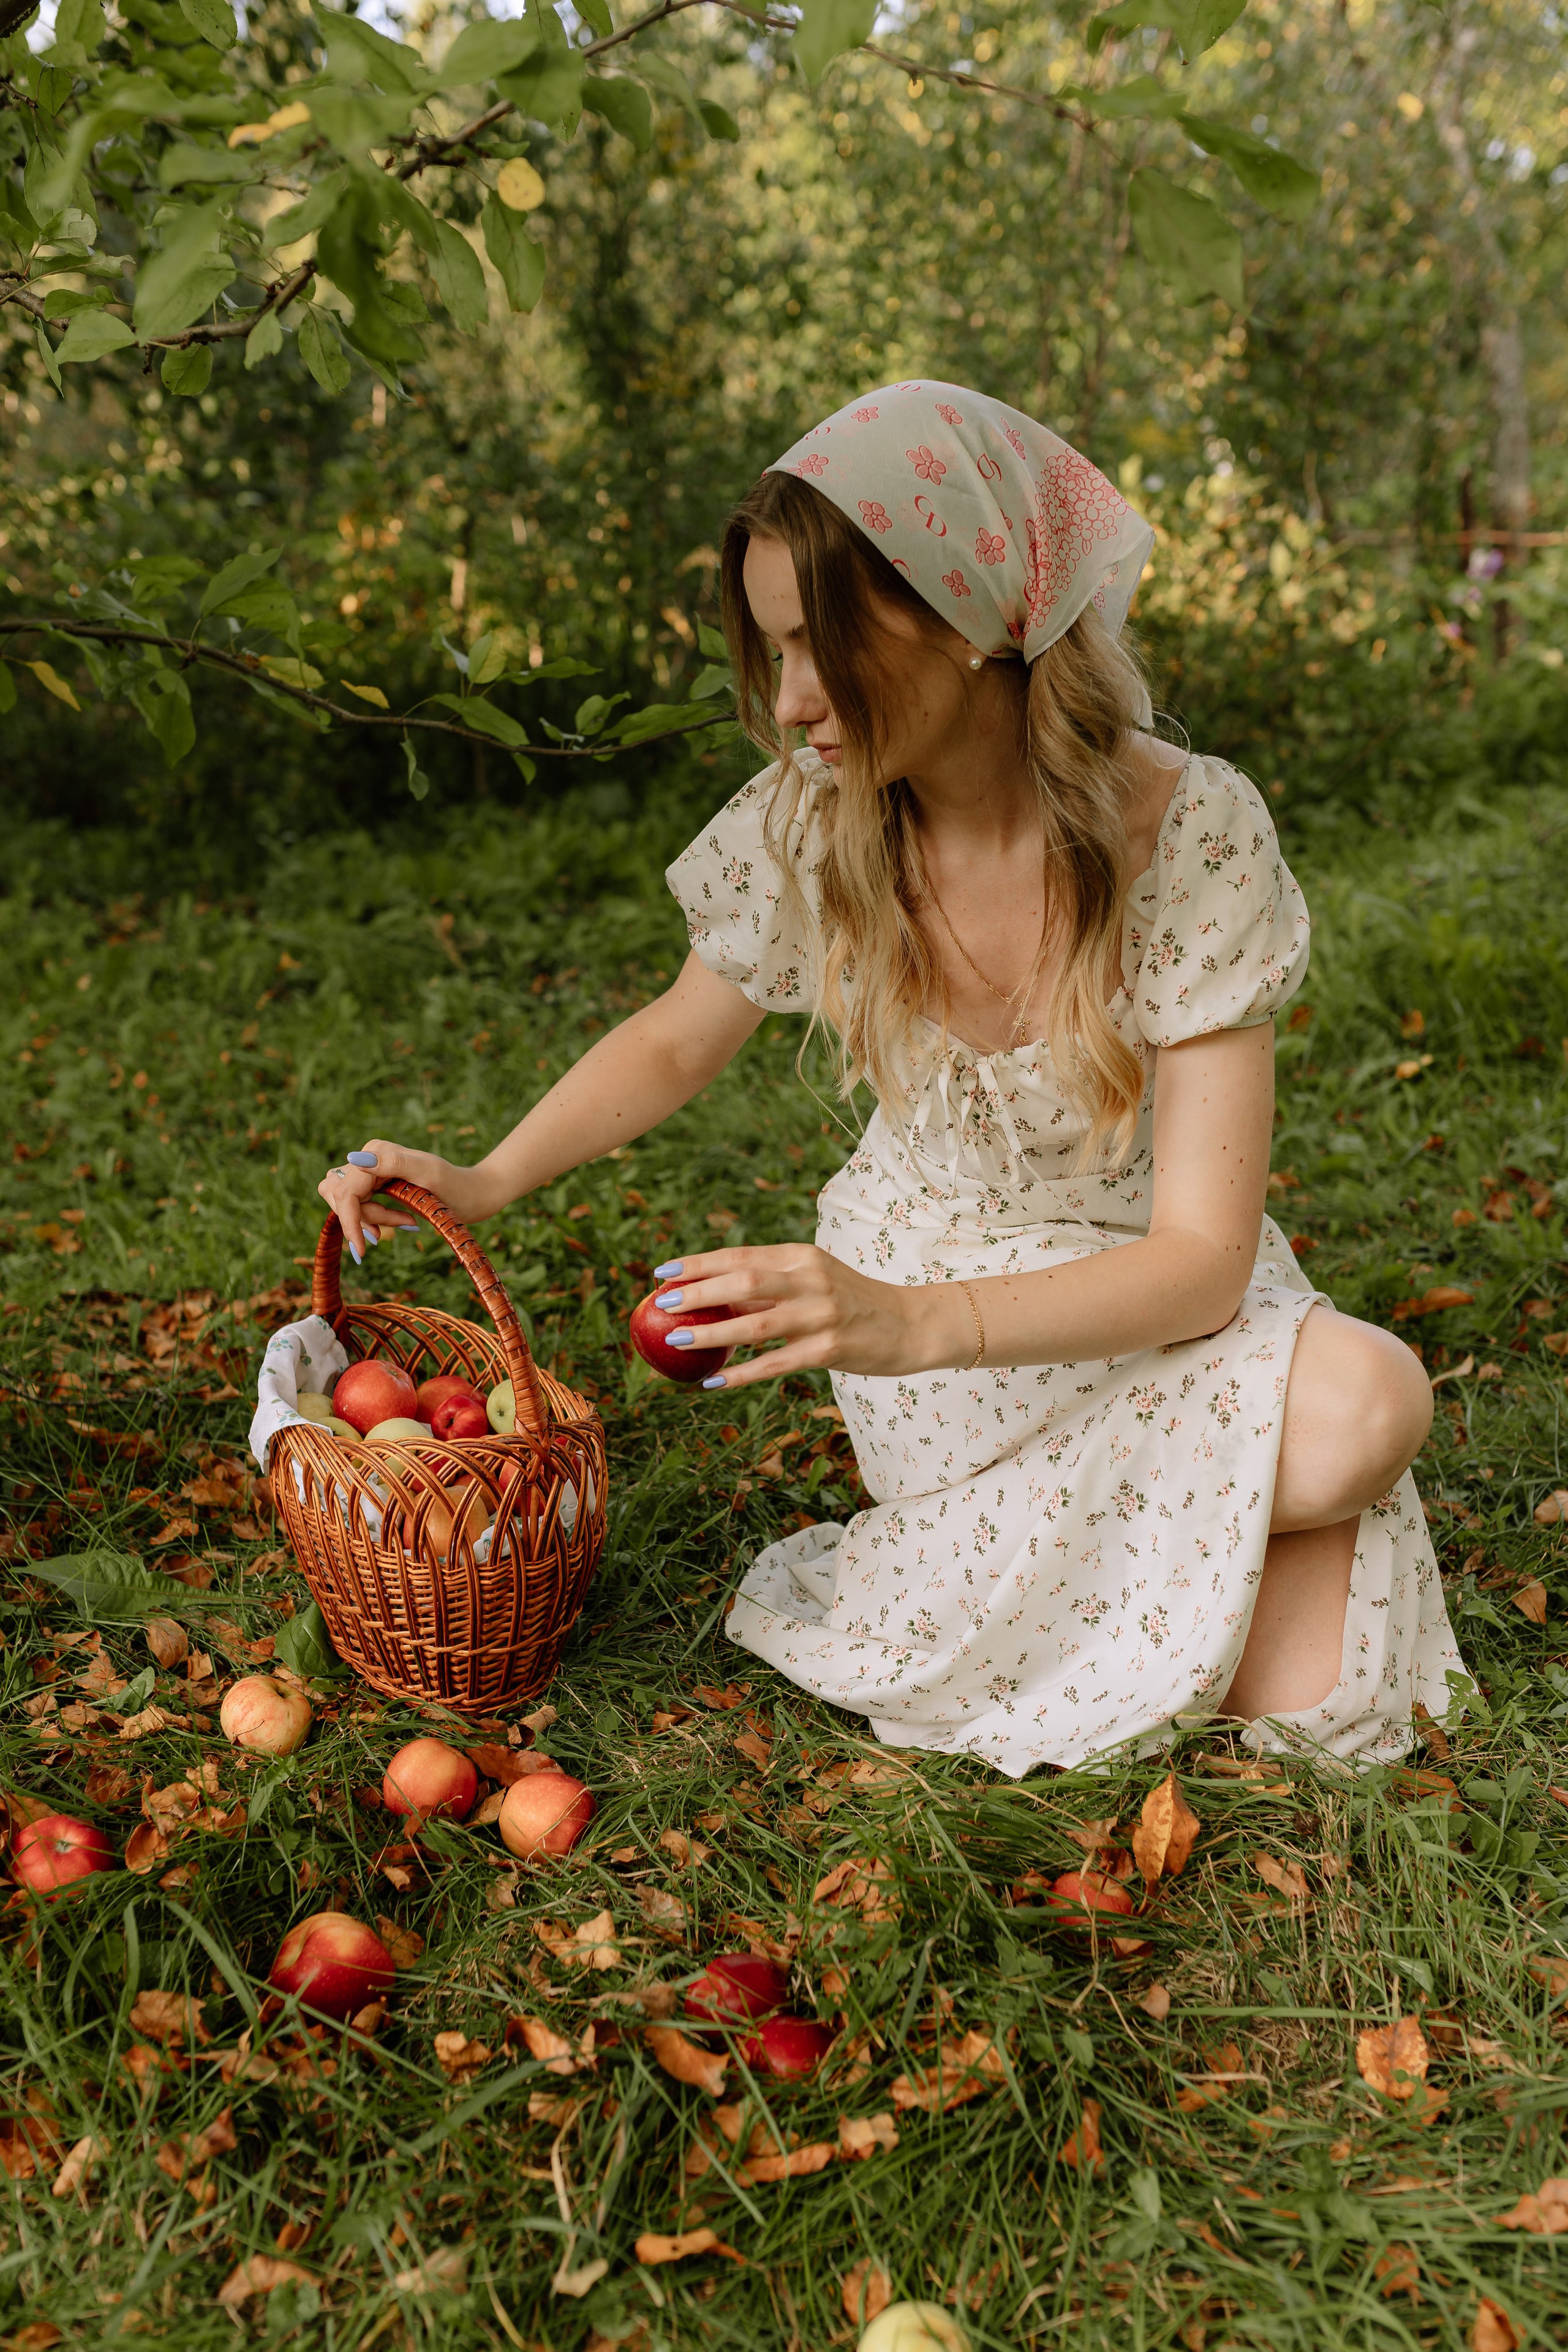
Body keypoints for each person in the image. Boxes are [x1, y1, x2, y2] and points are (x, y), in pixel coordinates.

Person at [318, 380, 1461, 1779]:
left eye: (825, 645)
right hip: (925, 1334)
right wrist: (485, 1175)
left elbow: (1203, 1266)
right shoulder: (816, 819)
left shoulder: (1189, 828)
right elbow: (676, 1035)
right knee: (1339, 1452)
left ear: (967, 613)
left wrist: (908, 1322)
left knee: (1367, 1408)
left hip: (1135, 1297)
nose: (791, 702)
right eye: (774, 650)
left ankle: (989, 1579)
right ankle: (1107, 1552)